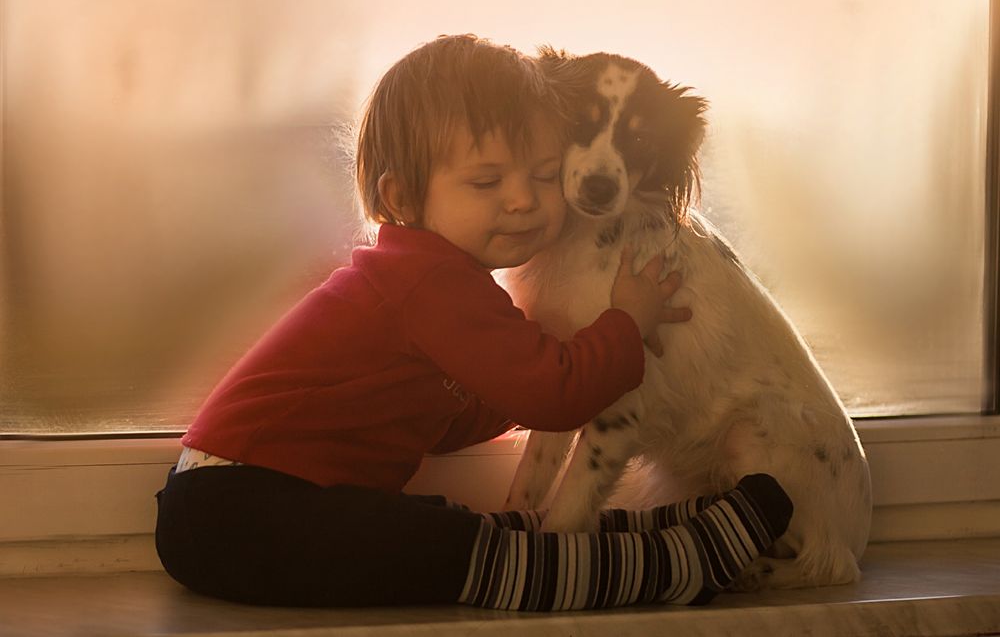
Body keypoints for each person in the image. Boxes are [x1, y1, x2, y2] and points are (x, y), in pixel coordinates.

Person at [154, 34, 793, 610]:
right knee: (464, 555)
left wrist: (552, 365)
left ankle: (661, 531)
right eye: (488, 181)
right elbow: (552, 394)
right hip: (245, 510)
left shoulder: (427, 279)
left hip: (243, 506)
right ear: (401, 198)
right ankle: (684, 561)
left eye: (543, 175)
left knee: (449, 534)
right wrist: (623, 325)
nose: (523, 199)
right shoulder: (430, 283)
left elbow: (454, 417)